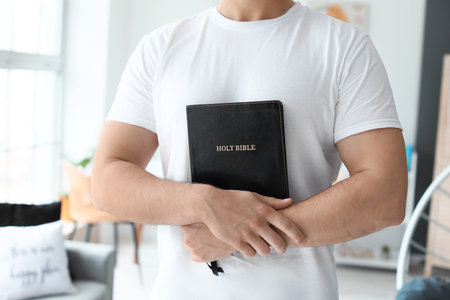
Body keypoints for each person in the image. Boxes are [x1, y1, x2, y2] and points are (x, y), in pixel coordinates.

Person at [91, 0, 408, 299]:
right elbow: (106, 181)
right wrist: (206, 204)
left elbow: (386, 195)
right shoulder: (159, 48)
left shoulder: (345, 48)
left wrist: (236, 232)